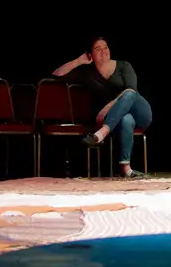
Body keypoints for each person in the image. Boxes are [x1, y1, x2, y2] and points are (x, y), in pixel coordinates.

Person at [55, 38, 151, 178]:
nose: (103, 51)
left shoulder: (124, 66)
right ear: (91, 55)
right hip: (118, 119)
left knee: (129, 94)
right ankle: (126, 168)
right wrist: (78, 61)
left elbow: (132, 89)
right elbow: (57, 74)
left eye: (105, 47)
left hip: (140, 112)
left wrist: (108, 107)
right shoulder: (88, 73)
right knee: (126, 119)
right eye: (98, 49)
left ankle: (102, 133)